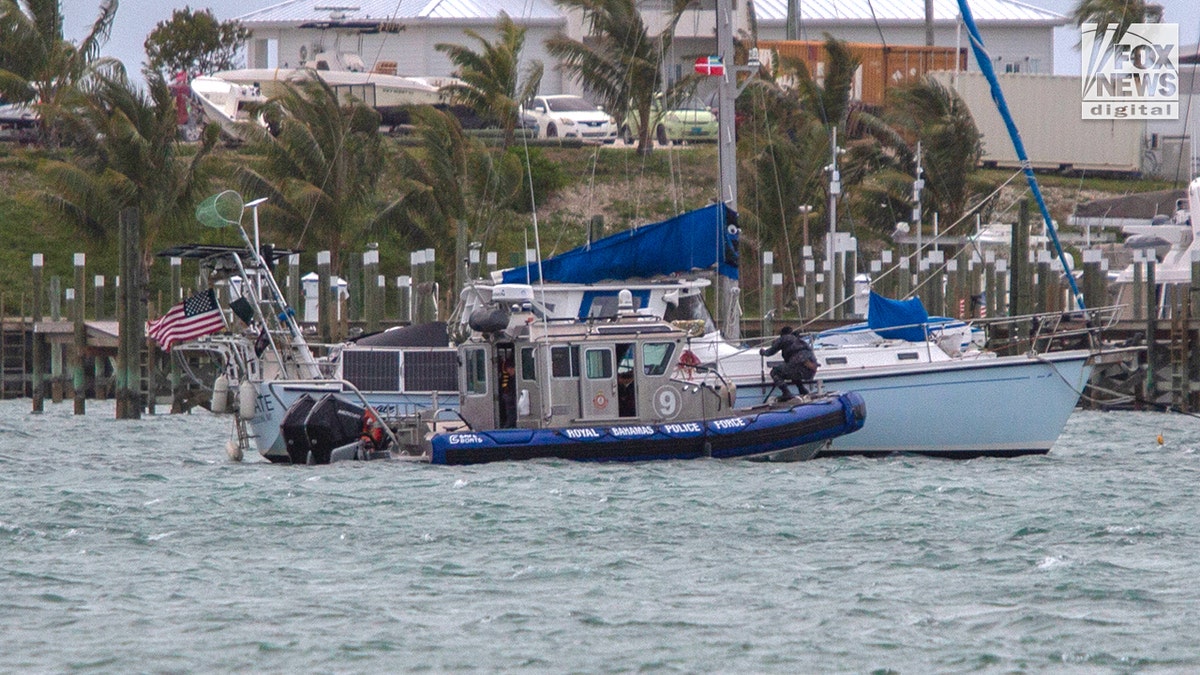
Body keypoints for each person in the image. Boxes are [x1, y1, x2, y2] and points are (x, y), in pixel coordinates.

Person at [759, 326, 818, 401]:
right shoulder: (800, 340)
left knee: (775, 372)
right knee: (791, 369)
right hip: (812, 369)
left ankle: (786, 393)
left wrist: (763, 352)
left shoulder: (784, 338)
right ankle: (802, 390)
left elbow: (770, 352)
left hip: (799, 367)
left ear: (782, 334)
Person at [498, 359, 517, 428]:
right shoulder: (509, 378)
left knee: (511, 414)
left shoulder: (515, 379)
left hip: (512, 400)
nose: (508, 371)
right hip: (509, 399)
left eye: (509, 369)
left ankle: (508, 426)